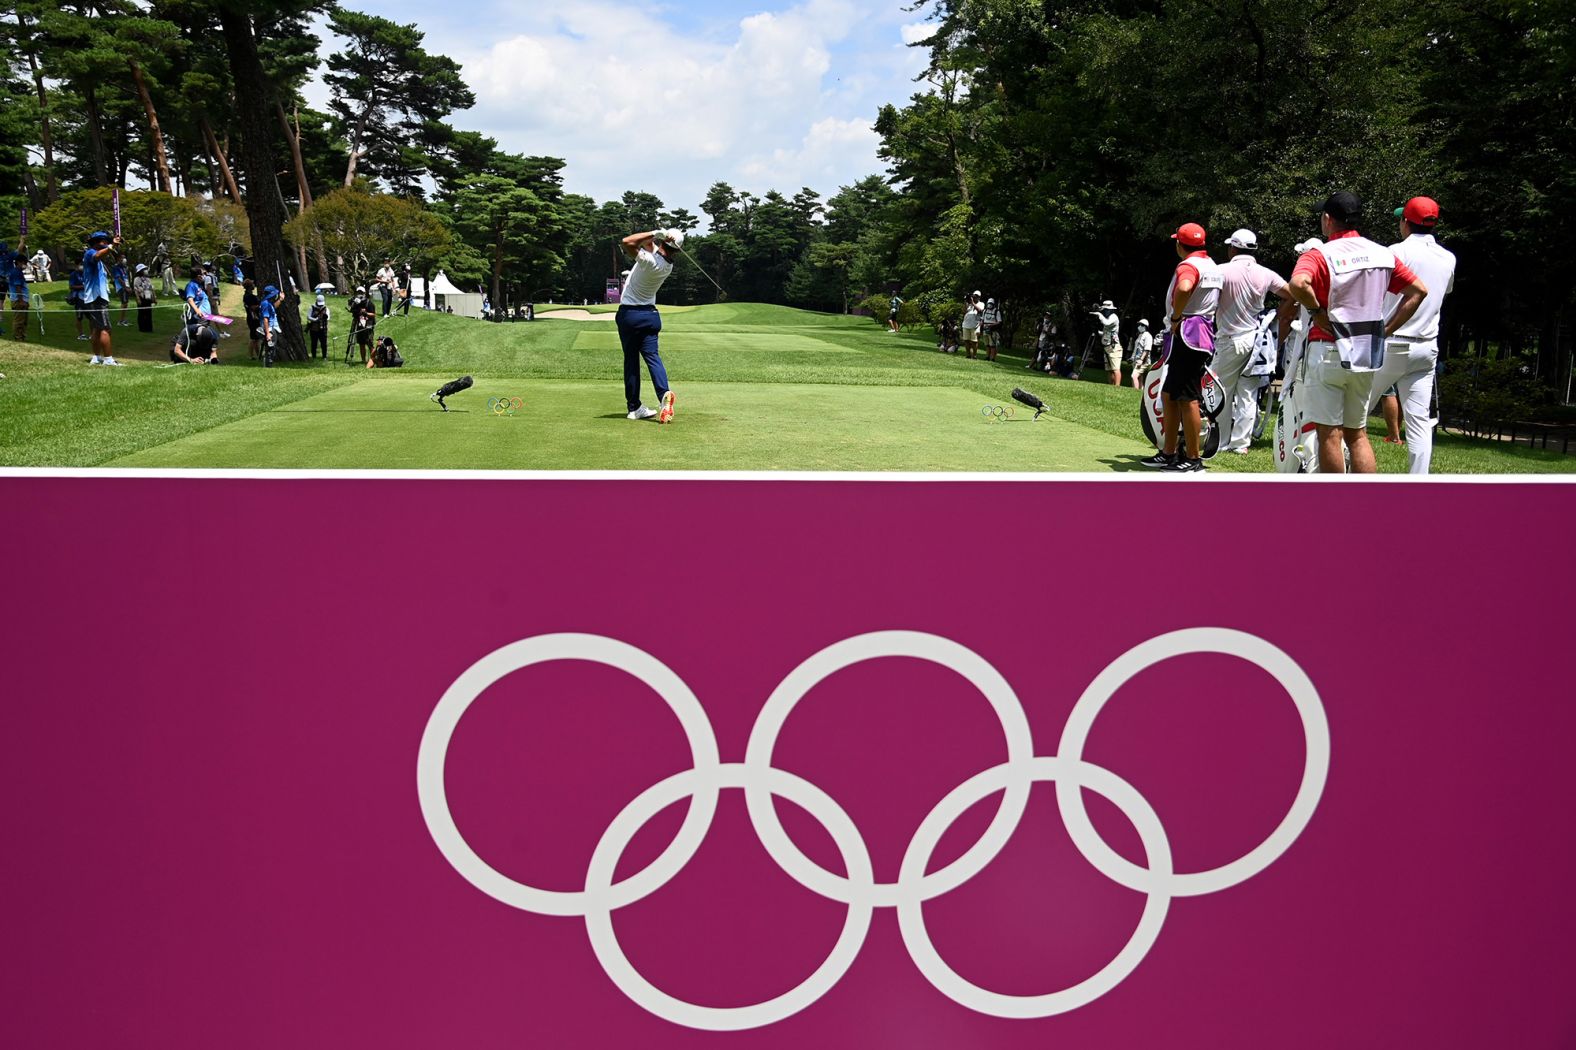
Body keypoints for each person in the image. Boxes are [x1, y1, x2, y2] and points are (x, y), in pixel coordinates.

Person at [1286, 192, 1428, 474]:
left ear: (1328, 220)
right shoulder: (1383, 254)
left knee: (1329, 433)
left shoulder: (1320, 254)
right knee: (1357, 433)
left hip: (1327, 349)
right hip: (1366, 353)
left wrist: (1316, 312)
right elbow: (1418, 291)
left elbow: (1298, 284)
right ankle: (1367, 504)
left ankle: (1335, 504)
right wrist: (1387, 330)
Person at [1367, 196, 1457, 474]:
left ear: (1406, 222)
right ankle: (1419, 482)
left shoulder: (1393, 252)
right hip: (1426, 346)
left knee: (1356, 410)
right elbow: (1446, 291)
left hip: (1391, 341)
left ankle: (1342, 468)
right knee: (1419, 421)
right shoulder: (1448, 257)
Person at [1141, 222, 1222, 472]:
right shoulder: (1212, 265)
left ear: (1179, 244)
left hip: (1187, 333)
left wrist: (1176, 316)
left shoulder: (1188, 265)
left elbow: (1185, 287)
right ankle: (1169, 452)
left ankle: (1193, 458)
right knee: (1169, 394)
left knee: (1187, 398)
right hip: (1199, 334)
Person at [1214, 229, 1293, 454]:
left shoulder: (1222, 271)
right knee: (1247, 394)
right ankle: (1240, 444)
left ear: (1233, 248)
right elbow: (1292, 294)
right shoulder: (1265, 273)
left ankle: (1220, 441)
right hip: (1256, 339)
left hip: (1230, 339)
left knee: (1222, 391)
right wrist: (1276, 315)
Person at [616, 227, 682, 422]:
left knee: (631, 361)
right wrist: (658, 236)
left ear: (663, 244)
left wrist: (656, 231)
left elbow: (627, 241)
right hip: (651, 316)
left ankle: (634, 407)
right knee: (653, 357)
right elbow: (647, 244)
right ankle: (664, 395)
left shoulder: (648, 261)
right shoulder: (666, 265)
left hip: (630, 315)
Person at [80, 231, 124, 366]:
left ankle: (96, 357)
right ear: (95, 242)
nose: (105, 243)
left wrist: (112, 247)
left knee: (96, 329)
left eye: (106, 241)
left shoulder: (98, 261)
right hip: (96, 297)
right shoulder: (90, 253)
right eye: (103, 241)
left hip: (93, 297)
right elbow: (98, 255)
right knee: (105, 328)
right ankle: (108, 359)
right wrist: (111, 246)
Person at [1090, 299, 1121, 384]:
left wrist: (1099, 314)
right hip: (1107, 345)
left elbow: (1106, 323)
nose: (1105, 311)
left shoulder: (1113, 317)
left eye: (1106, 309)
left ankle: (1117, 387)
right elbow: (1105, 332)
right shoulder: (1107, 317)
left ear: (1111, 309)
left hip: (1114, 346)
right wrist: (1097, 332)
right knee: (1109, 369)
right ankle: (1111, 385)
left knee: (1115, 368)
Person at [6, 248, 29, 342]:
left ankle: (22, 336)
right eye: (24, 263)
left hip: (23, 300)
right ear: (19, 262)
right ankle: (18, 337)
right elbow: (17, 287)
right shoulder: (16, 272)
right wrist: (21, 300)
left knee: (24, 320)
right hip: (19, 300)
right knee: (19, 320)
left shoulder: (19, 272)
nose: (25, 265)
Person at [349, 286, 376, 363]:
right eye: (358, 292)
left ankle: (373, 360)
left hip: (368, 326)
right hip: (359, 325)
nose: (360, 294)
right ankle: (363, 360)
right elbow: (353, 311)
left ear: (364, 293)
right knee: (361, 343)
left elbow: (373, 314)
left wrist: (365, 313)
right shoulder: (356, 303)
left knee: (370, 344)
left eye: (361, 292)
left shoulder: (369, 303)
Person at [258, 284, 283, 367]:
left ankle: (269, 364)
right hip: (269, 328)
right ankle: (268, 365)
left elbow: (273, 307)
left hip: (272, 327)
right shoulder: (265, 304)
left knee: (272, 347)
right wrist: (268, 332)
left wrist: (280, 299)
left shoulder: (268, 303)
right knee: (270, 348)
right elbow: (265, 319)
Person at [1129, 319, 1154, 389]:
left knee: (1133, 376)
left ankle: (1135, 392)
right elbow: (1136, 348)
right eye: (1139, 324)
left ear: (1145, 326)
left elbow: (1147, 349)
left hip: (1143, 361)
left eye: (1142, 325)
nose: (1139, 326)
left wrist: (1141, 359)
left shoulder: (1148, 336)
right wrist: (1132, 358)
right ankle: (1140, 392)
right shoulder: (1140, 335)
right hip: (1136, 360)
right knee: (1140, 377)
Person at [242, 278, 262, 360]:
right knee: (253, 338)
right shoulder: (249, 296)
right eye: (252, 284)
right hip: (253, 318)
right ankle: (250, 355)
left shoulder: (247, 295)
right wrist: (261, 305)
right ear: (250, 286)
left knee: (256, 338)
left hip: (253, 318)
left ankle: (258, 354)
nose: (254, 285)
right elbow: (253, 307)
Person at [959, 291, 983, 359]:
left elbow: (980, 310)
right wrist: (965, 301)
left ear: (979, 297)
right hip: (966, 324)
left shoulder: (981, 303)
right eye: (974, 296)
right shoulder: (968, 304)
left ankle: (974, 355)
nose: (975, 297)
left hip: (975, 325)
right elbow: (963, 311)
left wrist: (972, 303)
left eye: (976, 296)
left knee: (974, 341)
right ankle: (968, 355)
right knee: (966, 340)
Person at [133, 263, 156, 333]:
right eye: (144, 269)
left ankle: (149, 328)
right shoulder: (137, 279)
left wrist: (154, 298)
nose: (146, 270)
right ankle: (142, 328)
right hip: (141, 297)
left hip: (148, 297)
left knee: (148, 313)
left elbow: (151, 288)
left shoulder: (148, 279)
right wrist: (138, 299)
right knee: (142, 313)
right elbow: (136, 289)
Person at [307, 294, 331, 359]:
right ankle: (314, 356)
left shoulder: (326, 308)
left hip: (323, 328)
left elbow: (328, 318)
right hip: (314, 329)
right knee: (314, 343)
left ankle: (324, 356)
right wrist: (315, 319)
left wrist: (323, 318)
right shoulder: (311, 307)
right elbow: (308, 317)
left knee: (324, 343)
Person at [67, 265, 87, 340]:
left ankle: (93, 334)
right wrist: (83, 287)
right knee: (79, 317)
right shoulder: (73, 275)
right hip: (78, 298)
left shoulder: (86, 273)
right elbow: (71, 286)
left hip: (88, 297)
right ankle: (81, 334)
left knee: (91, 317)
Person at [981, 297, 1003, 361]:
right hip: (985, 330)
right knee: (987, 344)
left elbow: (999, 322)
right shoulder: (985, 311)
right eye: (989, 303)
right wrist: (982, 325)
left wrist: (991, 325)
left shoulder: (996, 311)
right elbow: (982, 319)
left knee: (992, 345)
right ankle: (987, 356)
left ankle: (992, 358)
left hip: (992, 330)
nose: (989, 305)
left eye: (991, 303)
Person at [111, 257, 132, 327]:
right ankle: (121, 321)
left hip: (126, 287)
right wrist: (125, 287)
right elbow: (119, 279)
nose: (124, 260)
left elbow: (125, 278)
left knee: (125, 304)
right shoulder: (116, 268)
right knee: (124, 303)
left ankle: (123, 319)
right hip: (121, 288)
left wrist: (128, 287)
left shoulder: (124, 268)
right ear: (119, 260)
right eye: (122, 259)